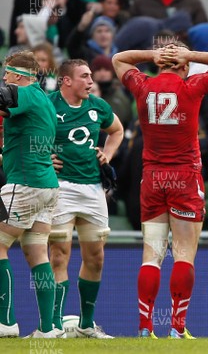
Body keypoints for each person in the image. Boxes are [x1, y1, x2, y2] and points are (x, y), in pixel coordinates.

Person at [113, 42, 208, 339]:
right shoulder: (191, 87)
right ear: (183, 65)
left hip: (153, 176)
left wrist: (150, 55)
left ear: (159, 64)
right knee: (183, 255)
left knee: (151, 254)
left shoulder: (142, 86)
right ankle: (177, 328)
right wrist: (192, 55)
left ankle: (145, 327)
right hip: (184, 176)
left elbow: (118, 59)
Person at [47, 59, 124, 338]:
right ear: (66, 81)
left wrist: (108, 154)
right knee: (59, 255)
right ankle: (53, 326)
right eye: (84, 76)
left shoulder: (98, 106)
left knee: (95, 257)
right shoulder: (48, 104)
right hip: (60, 188)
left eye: (91, 75)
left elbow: (116, 130)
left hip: (93, 189)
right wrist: (43, 157)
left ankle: (86, 325)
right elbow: (22, 132)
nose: (91, 81)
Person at [0, 51, 60, 338]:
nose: (4, 79)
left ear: (19, 76)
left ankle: (5, 322)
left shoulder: (26, 94)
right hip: (47, 187)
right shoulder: (45, 101)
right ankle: (47, 329)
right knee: (37, 253)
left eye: (7, 74)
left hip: (24, 184)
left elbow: (4, 99)